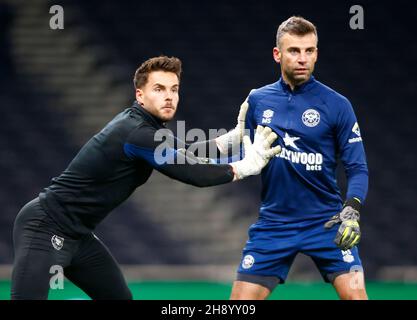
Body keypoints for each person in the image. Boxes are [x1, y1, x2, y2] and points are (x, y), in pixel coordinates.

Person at [11, 56, 281, 300]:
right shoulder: (137, 133)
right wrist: (246, 166)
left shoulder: (146, 130)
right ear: (140, 95)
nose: (169, 96)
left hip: (78, 236)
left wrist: (232, 138)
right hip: (45, 226)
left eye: (174, 89)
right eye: (159, 89)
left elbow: (186, 153)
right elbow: (192, 172)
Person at [231, 16, 369, 300]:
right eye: (294, 51)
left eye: (310, 51)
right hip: (275, 224)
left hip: (328, 222)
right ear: (277, 54)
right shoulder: (257, 100)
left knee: (357, 298)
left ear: (317, 53)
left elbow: (358, 168)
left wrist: (352, 209)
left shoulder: (338, 105)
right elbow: (239, 149)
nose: (303, 58)